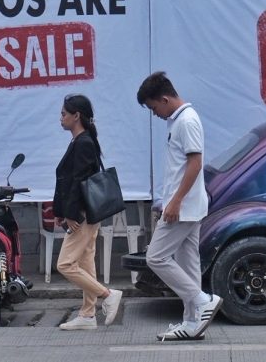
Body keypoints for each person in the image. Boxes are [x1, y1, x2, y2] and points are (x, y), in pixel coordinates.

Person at [136, 72, 222, 341]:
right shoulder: (180, 121)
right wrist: (169, 200)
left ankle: (201, 300)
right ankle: (192, 322)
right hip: (185, 205)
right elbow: (180, 167)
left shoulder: (186, 121)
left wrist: (174, 201)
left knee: (156, 257)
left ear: (164, 99)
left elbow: (195, 164)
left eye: (153, 108)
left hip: (183, 206)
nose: (155, 114)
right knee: (188, 263)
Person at [53, 94, 123, 330]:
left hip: (81, 214)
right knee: (85, 262)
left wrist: (71, 213)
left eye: (64, 113)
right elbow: (70, 179)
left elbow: (79, 181)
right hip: (84, 213)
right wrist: (61, 210)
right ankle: (88, 315)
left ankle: (108, 294)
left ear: (76, 116)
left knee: (65, 264)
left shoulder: (83, 143)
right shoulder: (80, 140)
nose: (60, 118)